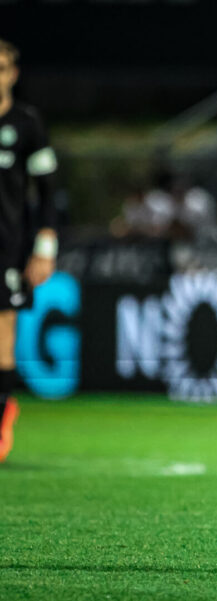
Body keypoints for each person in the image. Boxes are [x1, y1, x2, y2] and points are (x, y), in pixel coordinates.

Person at [0, 39, 59, 462]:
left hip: (8, 248)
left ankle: (1, 424)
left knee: (2, 341)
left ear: (13, 74)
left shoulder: (26, 123)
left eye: (1, 68)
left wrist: (45, 247)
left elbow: (50, 191)